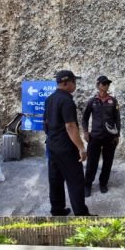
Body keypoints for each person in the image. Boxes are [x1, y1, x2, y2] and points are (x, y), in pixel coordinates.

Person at [43, 70, 89, 216]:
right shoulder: (67, 101)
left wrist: (53, 138)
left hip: (52, 145)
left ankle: (57, 211)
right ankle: (81, 214)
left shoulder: (49, 99)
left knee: (55, 179)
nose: (75, 85)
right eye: (74, 82)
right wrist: (81, 148)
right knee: (75, 181)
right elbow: (70, 126)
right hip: (66, 149)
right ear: (66, 83)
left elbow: (45, 123)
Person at [81, 75, 121, 196]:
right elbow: (85, 119)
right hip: (95, 137)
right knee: (91, 163)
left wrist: (117, 135)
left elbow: (117, 119)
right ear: (98, 85)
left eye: (108, 83)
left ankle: (103, 183)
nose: (106, 85)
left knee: (108, 162)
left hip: (110, 137)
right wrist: (85, 132)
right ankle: (87, 185)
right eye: (104, 83)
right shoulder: (92, 101)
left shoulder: (113, 101)